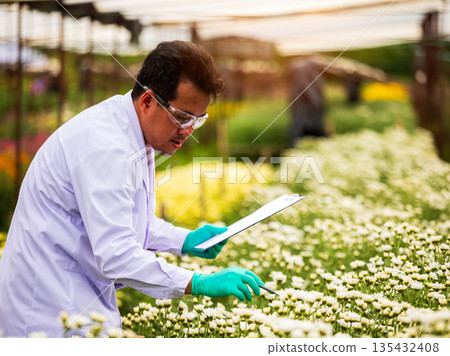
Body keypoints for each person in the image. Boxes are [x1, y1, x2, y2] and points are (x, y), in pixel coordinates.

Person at [0, 41, 263, 337]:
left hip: (75, 299)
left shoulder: (134, 130)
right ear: (148, 100)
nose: (188, 130)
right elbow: (117, 254)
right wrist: (199, 282)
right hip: (48, 310)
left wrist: (185, 240)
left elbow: (126, 222)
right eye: (182, 117)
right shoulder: (106, 146)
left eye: (197, 120)